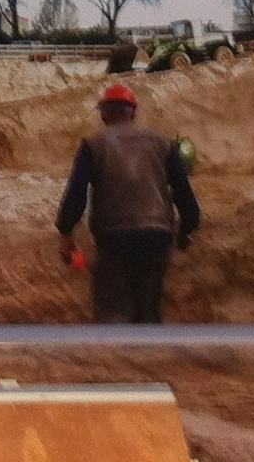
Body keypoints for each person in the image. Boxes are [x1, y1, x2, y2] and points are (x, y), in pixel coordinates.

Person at [54, 80, 201, 322]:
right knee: (149, 311)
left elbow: (77, 192)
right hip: (157, 236)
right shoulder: (163, 142)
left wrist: (66, 233)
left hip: (113, 236)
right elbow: (184, 192)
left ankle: (115, 345)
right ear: (133, 112)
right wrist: (186, 230)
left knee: (112, 309)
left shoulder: (93, 144)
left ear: (104, 113)